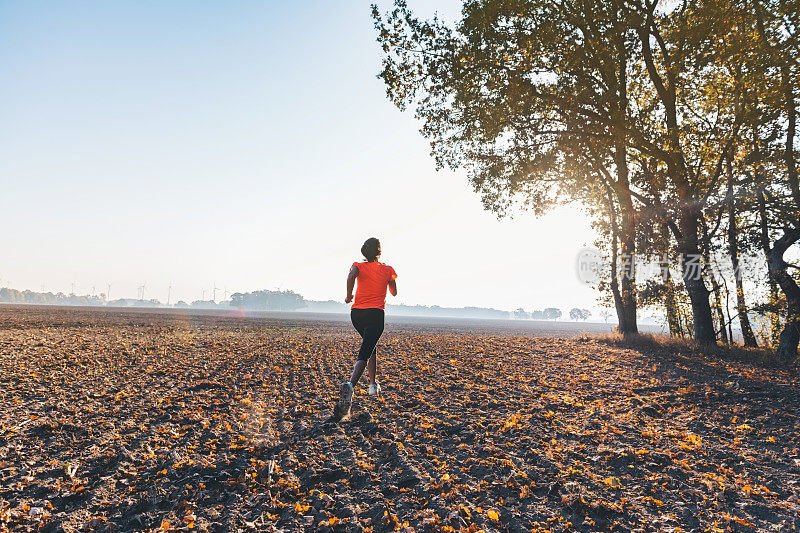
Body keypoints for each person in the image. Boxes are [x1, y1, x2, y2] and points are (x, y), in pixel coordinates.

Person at [335, 237, 397, 416]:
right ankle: (350, 386)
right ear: (379, 252)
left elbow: (351, 275)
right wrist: (386, 279)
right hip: (375, 315)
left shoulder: (358, 266)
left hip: (357, 315)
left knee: (370, 346)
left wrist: (349, 295)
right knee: (365, 350)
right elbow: (394, 292)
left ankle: (372, 385)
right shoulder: (387, 269)